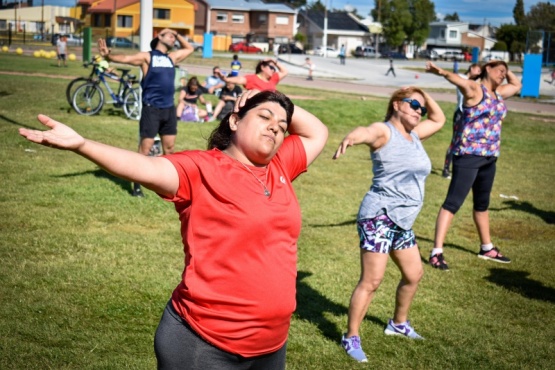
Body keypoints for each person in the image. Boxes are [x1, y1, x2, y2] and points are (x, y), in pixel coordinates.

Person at [18, 89, 328, 370]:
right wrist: (82, 144)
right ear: (234, 121)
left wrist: (268, 98)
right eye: (263, 117)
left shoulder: (280, 167)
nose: (276, 126)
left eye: (282, 125)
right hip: (206, 344)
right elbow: (146, 168)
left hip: (271, 347)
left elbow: (317, 132)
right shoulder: (201, 168)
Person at [334, 87, 445, 362]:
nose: (419, 110)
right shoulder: (386, 131)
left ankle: (398, 323)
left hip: (402, 221)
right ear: (396, 105)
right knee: (372, 281)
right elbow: (367, 131)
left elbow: (440, 120)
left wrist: (424, 94)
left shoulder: (415, 135)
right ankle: (350, 337)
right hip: (379, 217)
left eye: (421, 107)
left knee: (413, 274)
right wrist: (352, 137)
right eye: (413, 104)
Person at [425, 60, 522, 271]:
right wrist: (440, 71)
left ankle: (486, 247)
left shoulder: (499, 93)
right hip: (468, 155)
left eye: (504, 73)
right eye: (499, 71)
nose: (503, 76)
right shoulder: (475, 90)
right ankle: (436, 252)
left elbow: (517, 86)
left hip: (489, 157)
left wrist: (505, 69)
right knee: (452, 203)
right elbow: (457, 80)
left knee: (482, 204)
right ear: (487, 68)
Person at [97, 28, 194, 197]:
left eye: (174, 36)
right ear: (159, 37)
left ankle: (167, 185)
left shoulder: (172, 58)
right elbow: (126, 58)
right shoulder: (147, 57)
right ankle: (137, 186)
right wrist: (108, 56)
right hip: (152, 109)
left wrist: (177, 34)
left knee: (169, 149)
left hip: (169, 110)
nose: (173, 38)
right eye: (169, 35)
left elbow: (189, 49)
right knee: (145, 149)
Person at [442, 63, 482, 179]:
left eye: (481, 71)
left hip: (470, 115)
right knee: (455, 142)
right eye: (478, 70)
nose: (479, 72)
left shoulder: (474, 82)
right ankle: (446, 169)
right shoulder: (462, 78)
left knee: (465, 142)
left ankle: (459, 169)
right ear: (472, 68)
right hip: (460, 113)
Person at [222, 59, 288, 92]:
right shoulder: (253, 78)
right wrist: (227, 79)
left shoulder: (273, 78)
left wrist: (274, 61)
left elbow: (285, 71)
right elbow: (240, 79)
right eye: (271, 67)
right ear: (262, 67)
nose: (273, 70)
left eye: (274, 68)